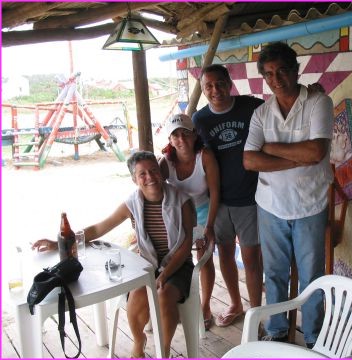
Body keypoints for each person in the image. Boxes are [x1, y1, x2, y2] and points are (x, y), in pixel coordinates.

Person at [31, 151, 194, 358]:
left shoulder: (182, 201)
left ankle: (164, 350)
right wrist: (58, 243)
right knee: (137, 294)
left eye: (153, 170)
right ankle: (139, 341)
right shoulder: (132, 203)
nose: (150, 177)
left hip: (178, 264)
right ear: (134, 179)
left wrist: (165, 273)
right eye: (142, 174)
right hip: (147, 263)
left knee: (163, 296)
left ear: (161, 172)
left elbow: (186, 244)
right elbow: (99, 228)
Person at [243, 42, 334, 348]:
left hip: (310, 205)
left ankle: (313, 336)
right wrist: (297, 158)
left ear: (296, 70)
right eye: (268, 73)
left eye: (282, 70)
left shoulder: (318, 102)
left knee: (311, 275)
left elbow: (317, 150)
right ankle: (278, 330)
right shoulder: (261, 113)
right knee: (275, 272)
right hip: (270, 206)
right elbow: (249, 160)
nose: (276, 78)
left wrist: (269, 148)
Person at [192, 64, 264, 327]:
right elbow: (187, 151)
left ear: (229, 83)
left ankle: (256, 314)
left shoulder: (251, 106)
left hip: (250, 197)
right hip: (218, 201)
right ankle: (235, 303)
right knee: (224, 254)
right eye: (208, 85)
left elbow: (281, 107)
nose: (215, 90)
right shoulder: (200, 120)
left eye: (220, 83)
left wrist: (309, 92)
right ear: (202, 89)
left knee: (251, 258)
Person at [159, 113, 220, 330]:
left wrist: (210, 226)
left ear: (194, 135)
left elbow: (215, 193)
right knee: (170, 256)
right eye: (175, 135)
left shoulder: (205, 157)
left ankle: (205, 306)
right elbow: (153, 190)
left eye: (185, 133)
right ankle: (168, 301)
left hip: (203, 212)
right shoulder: (165, 162)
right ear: (169, 139)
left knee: (204, 257)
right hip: (178, 216)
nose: (181, 140)